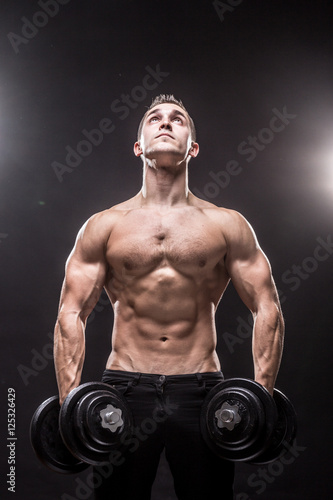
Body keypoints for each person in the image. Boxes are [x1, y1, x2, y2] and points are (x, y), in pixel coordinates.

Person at [54, 94, 284, 499]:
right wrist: (69, 404)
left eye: (177, 119)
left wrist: (260, 397)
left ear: (191, 147)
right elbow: (70, 313)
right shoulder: (104, 225)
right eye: (154, 118)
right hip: (123, 389)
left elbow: (268, 307)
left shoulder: (226, 224)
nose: (166, 123)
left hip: (201, 391)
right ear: (139, 146)